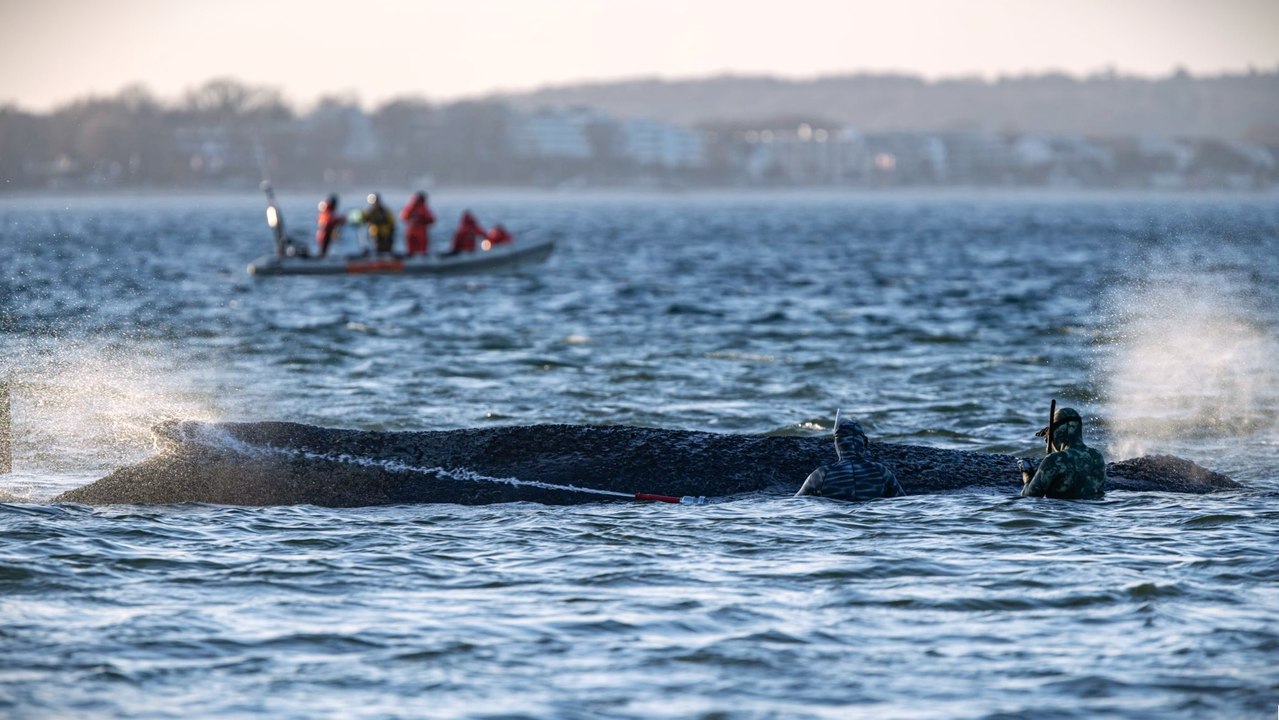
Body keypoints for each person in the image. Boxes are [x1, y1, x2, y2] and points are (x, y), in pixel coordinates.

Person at [796, 411, 905, 501]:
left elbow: (797, 504)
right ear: (864, 443)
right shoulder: (880, 472)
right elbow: (902, 502)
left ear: (837, 445)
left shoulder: (821, 475)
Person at [1018, 406, 1106, 499]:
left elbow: (1030, 495)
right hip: (1091, 512)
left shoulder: (1055, 459)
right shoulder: (1097, 456)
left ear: (1060, 431)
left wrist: (1027, 475)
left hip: (1061, 511)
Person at [400, 191, 436, 256]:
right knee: (421, 252)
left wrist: (419, 218)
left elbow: (403, 217)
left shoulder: (409, 206)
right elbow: (431, 219)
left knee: (411, 252)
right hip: (419, 233)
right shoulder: (423, 207)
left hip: (410, 232)